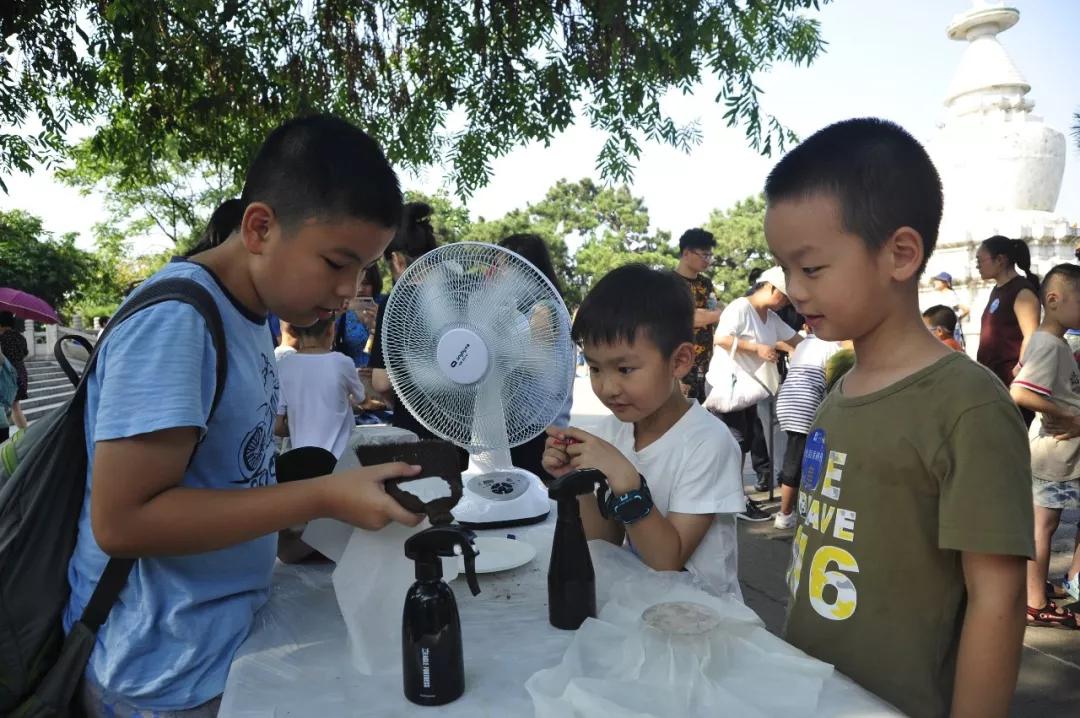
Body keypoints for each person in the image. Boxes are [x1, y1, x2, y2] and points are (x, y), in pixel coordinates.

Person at [64, 115, 426, 717]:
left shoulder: (252, 318)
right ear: (260, 226)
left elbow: (225, 479)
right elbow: (124, 522)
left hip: (220, 641)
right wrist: (322, 498)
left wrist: (298, 524)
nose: (348, 291)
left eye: (363, 269)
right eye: (337, 262)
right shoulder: (178, 322)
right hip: (160, 672)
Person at [765, 117, 1033, 718]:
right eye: (784, 269)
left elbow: (999, 599)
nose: (794, 290)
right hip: (811, 691)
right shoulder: (838, 385)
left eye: (811, 269)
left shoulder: (967, 406)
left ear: (900, 254)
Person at [542, 264, 745, 598]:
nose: (607, 388)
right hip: (647, 607)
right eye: (594, 368)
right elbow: (604, 541)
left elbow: (667, 560)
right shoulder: (615, 432)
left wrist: (624, 477)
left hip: (706, 618)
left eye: (625, 369)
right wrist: (574, 482)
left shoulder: (708, 442)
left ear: (679, 361)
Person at [369, 202, 469, 469]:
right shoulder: (466, 292)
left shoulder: (395, 303)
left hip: (412, 432)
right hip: (462, 431)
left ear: (397, 260)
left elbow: (381, 381)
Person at [1009, 264, 1080, 627]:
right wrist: (1068, 416)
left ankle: (1035, 591)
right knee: (1044, 525)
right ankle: (1035, 602)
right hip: (1055, 454)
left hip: (1052, 451)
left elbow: (1020, 373)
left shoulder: (1047, 341)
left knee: (1043, 524)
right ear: (1054, 300)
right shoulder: (1050, 344)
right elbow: (1020, 391)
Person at [712, 266, 801, 517]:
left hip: (750, 388)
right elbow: (721, 338)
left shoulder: (771, 317)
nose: (784, 303)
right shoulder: (741, 307)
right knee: (735, 444)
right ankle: (734, 501)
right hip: (730, 386)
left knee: (744, 443)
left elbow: (794, 339)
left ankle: (735, 497)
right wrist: (757, 349)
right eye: (783, 296)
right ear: (770, 288)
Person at [499, 233, 574, 480]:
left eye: (501, 266)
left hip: (537, 428)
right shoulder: (536, 306)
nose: (496, 274)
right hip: (528, 426)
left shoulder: (543, 308)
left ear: (522, 267)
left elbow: (535, 361)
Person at [771, 331, 842, 530]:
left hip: (787, 400)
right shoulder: (832, 347)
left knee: (796, 454)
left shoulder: (804, 344)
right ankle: (785, 513)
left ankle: (792, 507)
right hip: (806, 403)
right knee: (797, 458)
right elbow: (833, 381)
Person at [275, 317, 365, 460]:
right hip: (341, 461)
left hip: (303, 461)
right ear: (331, 330)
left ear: (293, 331)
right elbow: (360, 398)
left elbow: (277, 426)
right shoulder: (342, 362)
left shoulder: (283, 366)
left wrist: (297, 428)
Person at [976, 235, 1040, 391]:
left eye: (980, 260)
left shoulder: (1022, 291)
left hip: (1010, 381)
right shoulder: (997, 289)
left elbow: (1031, 336)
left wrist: (1018, 372)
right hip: (993, 378)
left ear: (1000, 260)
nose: (977, 266)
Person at [674, 228, 721, 402]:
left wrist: (706, 315)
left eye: (710, 255)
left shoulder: (706, 283)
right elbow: (687, 319)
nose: (708, 260)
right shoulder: (669, 283)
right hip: (677, 363)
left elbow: (717, 309)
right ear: (686, 253)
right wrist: (708, 315)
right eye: (704, 255)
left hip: (705, 362)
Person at [334, 264, 382, 367]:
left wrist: (382, 321)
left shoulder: (385, 306)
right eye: (356, 283)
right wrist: (336, 316)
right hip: (352, 374)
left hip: (380, 375)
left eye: (366, 284)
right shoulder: (343, 311)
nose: (360, 289)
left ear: (374, 283)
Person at [922, 272, 969, 347]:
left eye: (938, 280)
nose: (935, 282)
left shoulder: (950, 294)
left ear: (946, 283)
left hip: (947, 331)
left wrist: (957, 318)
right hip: (940, 330)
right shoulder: (939, 295)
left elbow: (966, 310)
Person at [0, 311, 28, 430]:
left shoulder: (2, 338)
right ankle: (25, 434)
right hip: (21, 373)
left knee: (11, 408)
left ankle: (24, 434)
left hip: (9, 376)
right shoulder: (20, 337)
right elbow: (25, 353)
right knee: (15, 407)